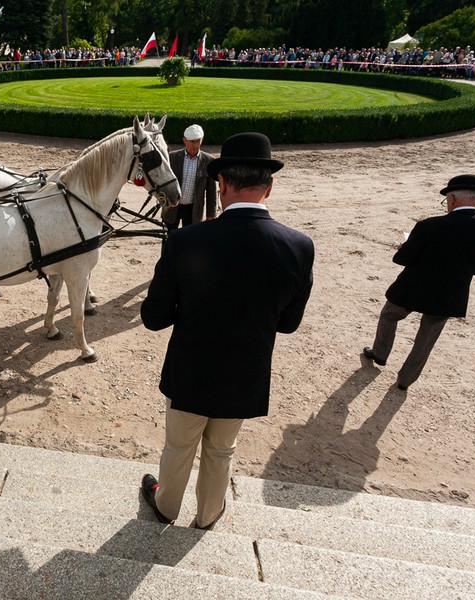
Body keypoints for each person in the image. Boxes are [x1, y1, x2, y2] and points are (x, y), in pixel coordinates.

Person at [140, 132, 315, 530]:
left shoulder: (185, 241)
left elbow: (153, 317)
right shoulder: (298, 245)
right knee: (221, 452)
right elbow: (288, 324)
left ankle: (166, 507)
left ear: (220, 186)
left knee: (179, 447)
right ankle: (208, 515)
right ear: (269, 186)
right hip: (244, 372)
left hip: (190, 371)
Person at [363, 174, 475, 391]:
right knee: (427, 337)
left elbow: (402, 259)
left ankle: (380, 353)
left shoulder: (429, 225)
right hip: (450, 293)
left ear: (452, 199)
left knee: (389, 314)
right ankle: (405, 380)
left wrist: (403, 247)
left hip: (412, 287)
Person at [163, 124, 217, 230]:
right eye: (192, 141)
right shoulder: (172, 158)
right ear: (185, 140)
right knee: (168, 240)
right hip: (172, 207)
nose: (195, 145)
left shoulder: (208, 161)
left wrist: (211, 214)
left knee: (189, 242)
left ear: (202, 140)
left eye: (198, 141)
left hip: (193, 209)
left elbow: (212, 191)